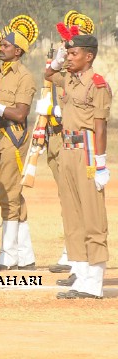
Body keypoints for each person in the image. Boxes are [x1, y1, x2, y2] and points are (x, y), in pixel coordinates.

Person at [44, 22, 110, 299]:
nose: (69, 58)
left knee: (92, 217)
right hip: (67, 149)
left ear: (89, 56)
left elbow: (101, 126)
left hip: (86, 150)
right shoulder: (69, 79)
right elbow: (49, 74)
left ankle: (94, 281)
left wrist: (102, 162)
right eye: (67, 55)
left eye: (73, 54)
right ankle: (80, 275)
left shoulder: (97, 84)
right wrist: (58, 58)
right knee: (72, 216)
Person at [0, 16, 37, 270]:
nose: (1, 48)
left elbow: (19, 113)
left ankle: (9, 251)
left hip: (12, 135)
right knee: (9, 191)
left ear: (18, 51)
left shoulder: (24, 77)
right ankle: (24, 253)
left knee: (9, 191)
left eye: (6, 45)